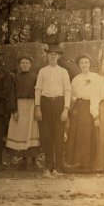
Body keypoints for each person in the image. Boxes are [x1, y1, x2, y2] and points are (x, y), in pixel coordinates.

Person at [35, 45, 71, 175]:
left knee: (59, 136)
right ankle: (49, 164)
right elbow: (38, 89)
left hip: (59, 103)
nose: (52, 57)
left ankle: (59, 166)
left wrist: (66, 109)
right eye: (50, 54)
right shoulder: (42, 71)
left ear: (59, 56)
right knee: (47, 135)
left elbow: (67, 90)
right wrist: (37, 107)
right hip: (45, 104)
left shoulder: (63, 72)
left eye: (55, 55)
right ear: (47, 56)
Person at [65, 53, 100, 173]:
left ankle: (88, 163)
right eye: (81, 63)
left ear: (90, 63)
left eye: (86, 62)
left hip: (91, 105)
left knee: (88, 133)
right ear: (79, 65)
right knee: (76, 133)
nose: (84, 65)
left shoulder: (96, 77)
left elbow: (98, 93)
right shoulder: (76, 79)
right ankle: (77, 162)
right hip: (79, 107)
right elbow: (72, 94)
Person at [6, 56, 40, 170]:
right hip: (20, 106)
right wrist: (14, 110)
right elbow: (12, 94)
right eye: (23, 63)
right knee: (22, 133)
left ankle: (34, 161)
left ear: (30, 65)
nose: (25, 65)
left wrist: (37, 108)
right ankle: (24, 161)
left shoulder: (35, 77)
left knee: (32, 132)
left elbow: (38, 94)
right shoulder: (15, 78)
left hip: (32, 106)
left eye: (27, 63)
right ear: (19, 65)